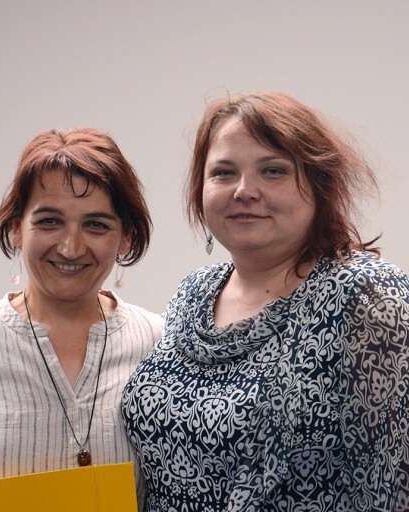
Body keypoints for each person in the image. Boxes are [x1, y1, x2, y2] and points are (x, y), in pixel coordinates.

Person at [122, 90, 409, 511]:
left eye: (273, 171)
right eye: (223, 172)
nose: (244, 190)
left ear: (319, 184)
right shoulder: (192, 293)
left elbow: (394, 479)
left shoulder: (368, 296)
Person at [0, 127, 163, 511]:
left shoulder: (160, 344)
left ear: (126, 238)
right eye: (50, 221)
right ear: (16, 229)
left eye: (96, 224)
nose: (70, 247)